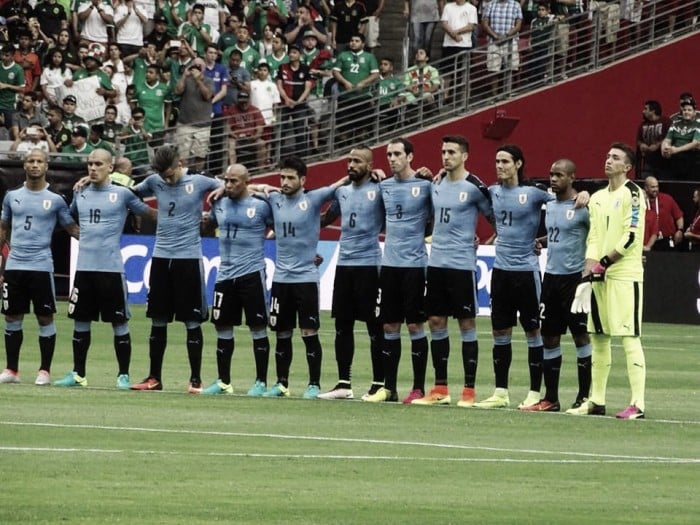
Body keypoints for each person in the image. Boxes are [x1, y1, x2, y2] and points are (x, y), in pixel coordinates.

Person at [54, 149, 155, 389]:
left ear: (110, 167)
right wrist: (80, 235)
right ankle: (78, 374)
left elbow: (148, 212)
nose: (92, 168)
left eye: (98, 164)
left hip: (111, 269)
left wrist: (176, 219)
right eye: (90, 164)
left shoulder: (122, 194)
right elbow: (67, 218)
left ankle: (123, 375)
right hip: (84, 268)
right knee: (80, 320)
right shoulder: (81, 193)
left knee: (119, 322)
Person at [129, 145, 222, 393]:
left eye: (170, 174)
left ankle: (195, 380)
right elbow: (130, 194)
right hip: (160, 257)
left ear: (179, 164)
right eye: (163, 176)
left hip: (188, 259)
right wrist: (147, 212)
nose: (167, 180)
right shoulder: (154, 181)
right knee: (157, 320)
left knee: (192, 320)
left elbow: (227, 188)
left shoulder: (200, 181)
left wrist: (212, 215)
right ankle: (154, 378)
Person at [474, 144, 560, 410]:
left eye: (505, 162)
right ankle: (501, 392)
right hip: (500, 271)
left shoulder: (534, 193)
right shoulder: (492, 192)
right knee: (500, 330)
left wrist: (544, 240)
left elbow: (563, 206)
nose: (499, 166)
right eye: (497, 161)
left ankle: (535, 392)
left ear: (518, 164)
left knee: (533, 330)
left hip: (526, 272)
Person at [412, 135, 494, 407]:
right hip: (436, 265)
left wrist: (489, 241)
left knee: (466, 323)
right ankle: (440, 389)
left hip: (461, 266)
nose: (446, 156)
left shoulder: (474, 186)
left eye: (452, 152)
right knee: (435, 321)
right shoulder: (435, 184)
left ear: (465, 156)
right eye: (443, 151)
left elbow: (498, 216)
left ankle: (469, 391)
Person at [567, 143, 647, 420]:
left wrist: (604, 263)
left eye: (615, 158)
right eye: (607, 155)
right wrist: (587, 274)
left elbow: (631, 236)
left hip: (625, 275)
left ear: (627, 167)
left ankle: (637, 403)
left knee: (629, 336)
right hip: (600, 275)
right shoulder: (599, 197)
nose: (608, 160)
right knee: (598, 336)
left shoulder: (634, 193)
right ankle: (596, 400)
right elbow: (594, 238)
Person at [259, 155, 347, 399]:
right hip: (280, 280)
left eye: (290, 178)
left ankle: (314, 384)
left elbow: (337, 187)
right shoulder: (275, 198)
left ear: (302, 180)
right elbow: (248, 187)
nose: (285, 182)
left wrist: (365, 174)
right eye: (282, 177)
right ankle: (281, 383)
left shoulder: (313, 199)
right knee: (281, 333)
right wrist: (265, 187)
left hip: (306, 279)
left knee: (309, 332)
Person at [0, 149, 78, 386]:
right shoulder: (11, 196)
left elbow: (71, 228)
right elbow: (3, 228)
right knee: (12, 316)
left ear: (46, 166)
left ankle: (44, 370)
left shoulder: (55, 200)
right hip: (15, 265)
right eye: (30, 161)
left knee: (45, 317)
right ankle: (12, 370)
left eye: (39, 161)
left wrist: (99, 236)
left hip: (41, 266)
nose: (35, 165)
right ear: (24, 166)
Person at [365, 137, 432, 404]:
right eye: (389, 154)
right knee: (389, 325)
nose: (392, 159)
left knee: (415, 325)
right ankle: (389, 388)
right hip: (389, 265)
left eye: (397, 154)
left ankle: (418, 388)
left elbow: (443, 216)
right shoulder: (384, 187)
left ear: (410, 157)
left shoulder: (426, 185)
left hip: (415, 266)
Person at [317, 146, 385, 400]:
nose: (351, 165)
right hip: (344, 264)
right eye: (349, 160)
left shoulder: (380, 190)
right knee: (342, 325)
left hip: (370, 266)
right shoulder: (342, 192)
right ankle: (343, 383)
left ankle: (379, 383)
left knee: (374, 326)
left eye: (357, 161)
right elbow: (325, 219)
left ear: (369, 165)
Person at [524, 158, 591, 412]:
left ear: (572, 177)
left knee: (580, 336)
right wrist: (541, 240)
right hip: (550, 278)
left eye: (559, 175)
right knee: (549, 337)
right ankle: (551, 398)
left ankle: (585, 396)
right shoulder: (550, 205)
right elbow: (558, 235)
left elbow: (596, 236)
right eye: (551, 174)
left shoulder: (584, 207)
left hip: (575, 279)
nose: (553, 179)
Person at [201, 164, 274, 396]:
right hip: (224, 275)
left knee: (258, 327)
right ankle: (224, 381)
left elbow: (282, 226)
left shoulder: (261, 206)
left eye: (234, 181)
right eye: (226, 181)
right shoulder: (219, 203)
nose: (229, 185)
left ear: (246, 181)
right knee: (222, 326)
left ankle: (261, 382)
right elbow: (207, 224)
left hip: (251, 274)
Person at [173, 57, 214, 172]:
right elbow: (177, 91)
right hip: (185, 123)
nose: (196, 68)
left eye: (199, 66)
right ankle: (184, 176)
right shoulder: (186, 80)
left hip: (203, 125)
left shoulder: (209, 81)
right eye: (194, 65)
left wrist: (198, 81)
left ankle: (198, 175)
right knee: (183, 155)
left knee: (200, 155)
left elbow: (207, 96)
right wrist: (184, 76)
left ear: (204, 69)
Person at [276, 44, 312, 158]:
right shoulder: (282, 67)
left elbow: (308, 88)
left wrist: (298, 102)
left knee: (300, 130)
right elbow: (279, 85)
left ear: (300, 55)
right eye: (290, 52)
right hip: (284, 104)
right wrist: (286, 99)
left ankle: (301, 156)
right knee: (280, 130)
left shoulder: (305, 69)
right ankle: (277, 156)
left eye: (294, 52)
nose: (291, 54)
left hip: (300, 105)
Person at [481, 0, 523, 97]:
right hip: (493, 41)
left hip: (511, 41)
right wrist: (495, 36)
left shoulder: (516, 5)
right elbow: (484, 24)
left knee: (511, 68)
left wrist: (506, 36)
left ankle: (507, 93)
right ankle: (494, 95)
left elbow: (518, 25)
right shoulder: (490, 4)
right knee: (493, 69)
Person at [440, 0, 477, 103]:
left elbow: (471, 26)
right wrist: (453, 34)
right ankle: (445, 97)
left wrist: (456, 32)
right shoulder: (448, 7)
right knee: (446, 72)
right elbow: (444, 23)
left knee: (465, 72)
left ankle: (465, 97)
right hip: (448, 44)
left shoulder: (471, 8)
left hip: (464, 45)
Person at [661, 97, 700, 181]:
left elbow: (695, 143)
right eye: (685, 110)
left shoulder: (698, 124)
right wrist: (664, 149)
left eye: (689, 110)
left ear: (694, 112)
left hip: (691, 158)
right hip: (675, 157)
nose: (686, 112)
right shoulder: (675, 123)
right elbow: (667, 140)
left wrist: (676, 150)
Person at [643, 175, 684, 251]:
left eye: (657, 187)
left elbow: (679, 216)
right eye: (652, 187)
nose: (656, 189)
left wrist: (680, 230)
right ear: (646, 188)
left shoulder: (667, 198)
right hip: (647, 242)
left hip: (666, 239)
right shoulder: (641, 201)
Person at [636, 100, 671, 179]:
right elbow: (638, 140)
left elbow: (670, 137)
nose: (643, 111)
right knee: (646, 182)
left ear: (653, 111)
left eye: (646, 109)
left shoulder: (666, 122)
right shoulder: (642, 124)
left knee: (663, 184)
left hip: (664, 162)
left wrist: (658, 145)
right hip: (648, 161)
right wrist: (641, 144)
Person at [0, 44, 25, 133]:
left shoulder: (18, 69)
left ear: (12, 56)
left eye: (6, 55)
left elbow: (22, 89)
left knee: (9, 131)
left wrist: (6, 86)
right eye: (2, 54)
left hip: (9, 106)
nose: (3, 57)